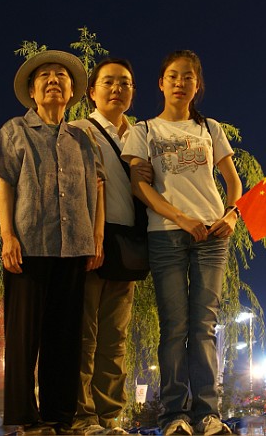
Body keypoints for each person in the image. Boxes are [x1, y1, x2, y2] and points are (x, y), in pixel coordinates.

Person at [0, 50, 105, 435]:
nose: (54, 81)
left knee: (65, 336)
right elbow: (5, 189)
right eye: (45, 77)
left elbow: (96, 191)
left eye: (61, 76)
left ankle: (59, 415)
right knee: (24, 336)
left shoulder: (84, 138)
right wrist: (7, 236)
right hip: (28, 246)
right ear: (32, 92)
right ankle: (25, 417)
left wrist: (97, 237)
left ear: (72, 91)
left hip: (75, 247)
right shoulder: (13, 131)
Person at [123, 50, 242, 436]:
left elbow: (233, 180)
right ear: (161, 83)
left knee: (204, 325)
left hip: (212, 235)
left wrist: (232, 213)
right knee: (174, 326)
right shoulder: (143, 131)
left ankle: (208, 413)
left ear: (197, 84)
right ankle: (174, 415)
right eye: (172, 76)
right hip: (167, 234)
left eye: (188, 76)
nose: (180, 82)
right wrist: (179, 217)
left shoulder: (210, 129)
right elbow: (139, 187)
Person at [70, 58, 152, 436]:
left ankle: (109, 416)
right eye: (108, 82)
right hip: (87, 245)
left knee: (115, 337)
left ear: (133, 92)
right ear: (91, 91)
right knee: (82, 334)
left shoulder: (142, 136)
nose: (117, 88)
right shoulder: (76, 131)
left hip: (128, 245)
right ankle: (81, 415)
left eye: (126, 83)